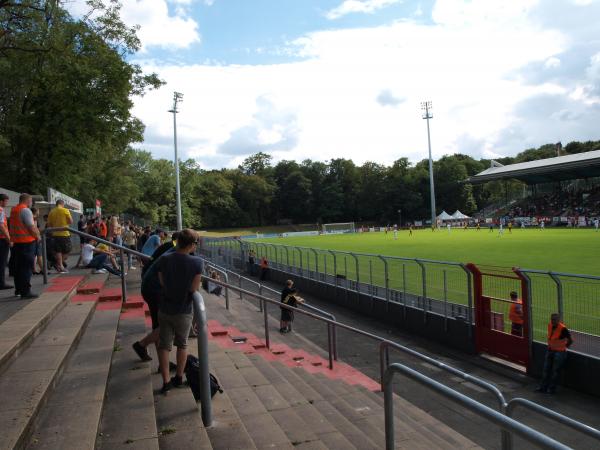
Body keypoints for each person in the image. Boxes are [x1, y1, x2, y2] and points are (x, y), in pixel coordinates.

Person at [157, 229, 202, 393]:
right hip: (183, 310)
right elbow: (193, 289)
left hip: (164, 308)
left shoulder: (165, 258)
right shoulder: (197, 262)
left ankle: (166, 381)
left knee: (164, 345)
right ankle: (179, 377)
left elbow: (162, 281)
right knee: (182, 345)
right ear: (190, 244)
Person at [9, 193, 41, 299]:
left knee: (18, 268)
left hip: (17, 242)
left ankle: (18, 289)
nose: (31, 203)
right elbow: (31, 227)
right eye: (31, 201)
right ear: (27, 200)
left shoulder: (14, 210)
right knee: (26, 268)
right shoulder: (26, 210)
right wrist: (38, 236)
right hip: (27, 243)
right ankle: (26, 292)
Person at [536, 313, 573, 394]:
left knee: (555, 372)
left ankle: (551, 389)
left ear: (558, 320)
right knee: (546, 370)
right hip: (550, 350)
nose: (552, 321)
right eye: (551, 319)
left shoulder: (563, 328)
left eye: (554, 320)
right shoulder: (550, 325)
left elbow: (570, 340)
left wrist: (565, 346)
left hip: (559, 353)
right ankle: (543, 387)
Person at [46, 199, 73, 273]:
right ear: (62, 204)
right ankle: (60, 265)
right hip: (64, 233)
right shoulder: (65, 210)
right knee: (68, 249)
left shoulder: (52, 211)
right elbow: (71, 221)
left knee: (58, 250)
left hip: (55, 234)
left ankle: (60, 265)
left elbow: (48, 224)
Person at [0, 193, 13, 290]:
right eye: (6, 201)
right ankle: (1, 283)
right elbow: (2, 226)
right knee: (2, 261)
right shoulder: (0, 210)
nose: (7, 203)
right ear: (1, 201)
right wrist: (9, 239)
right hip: (2, 239)